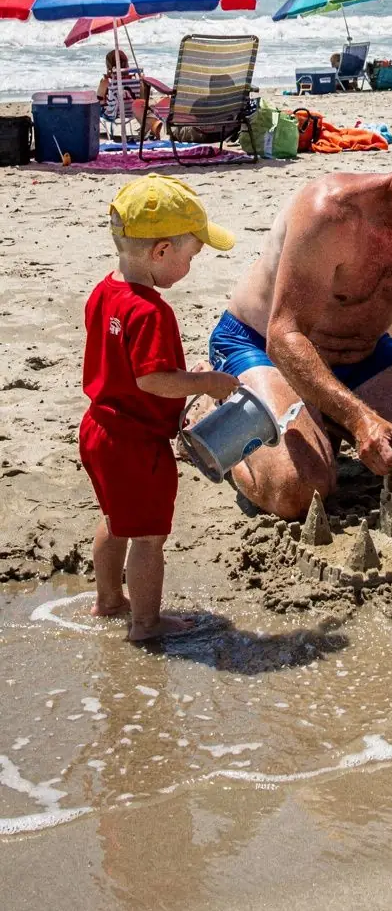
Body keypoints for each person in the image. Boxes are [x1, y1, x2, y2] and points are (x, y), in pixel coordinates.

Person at [209, 111, 392, 519]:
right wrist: (359, 417)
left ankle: (323, 418)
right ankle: (221, 411)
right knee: (299, 491)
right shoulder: (332, 211)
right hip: (263, 347)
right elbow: (285, 334)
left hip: (359, 353)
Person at [79, 175, 239, 641]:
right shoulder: (151, 312)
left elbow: (125, 365)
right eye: (192, 256)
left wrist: (185, 377)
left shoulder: (104, 291)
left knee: (115, 520)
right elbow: (152, 380)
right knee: (149, 536)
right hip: (136, 442)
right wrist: (207, 382)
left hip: (99, 428)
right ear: (162, 251)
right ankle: (146, 624)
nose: (191, 265)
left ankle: (109, 600)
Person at [97, 49, 162, 138]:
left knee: (97, 105)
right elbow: (142, 99)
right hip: (133, 111)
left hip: (113, 114)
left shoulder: (107, 81)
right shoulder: (136, 79)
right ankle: (151, 125)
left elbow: (99, 100)